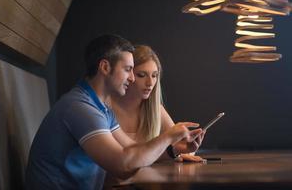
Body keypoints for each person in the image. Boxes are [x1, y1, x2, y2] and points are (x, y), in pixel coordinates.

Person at [25, 34, 203, 190]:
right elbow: (123, 166)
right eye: (127, 70)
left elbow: (132, 150)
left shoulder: (100, 107)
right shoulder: (80, 107)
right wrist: (168, 137)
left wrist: (173, 150)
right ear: (104, 67)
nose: (132, 78)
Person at [110, 45, 205, 162]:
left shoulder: (155, 109)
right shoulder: (105, 108)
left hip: (147, 178)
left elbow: (180, 147)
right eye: (141, 75)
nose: (150, 83)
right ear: (127, 74)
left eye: (154, 75)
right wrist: (171, 142)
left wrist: (185, 148)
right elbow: (126, 157)